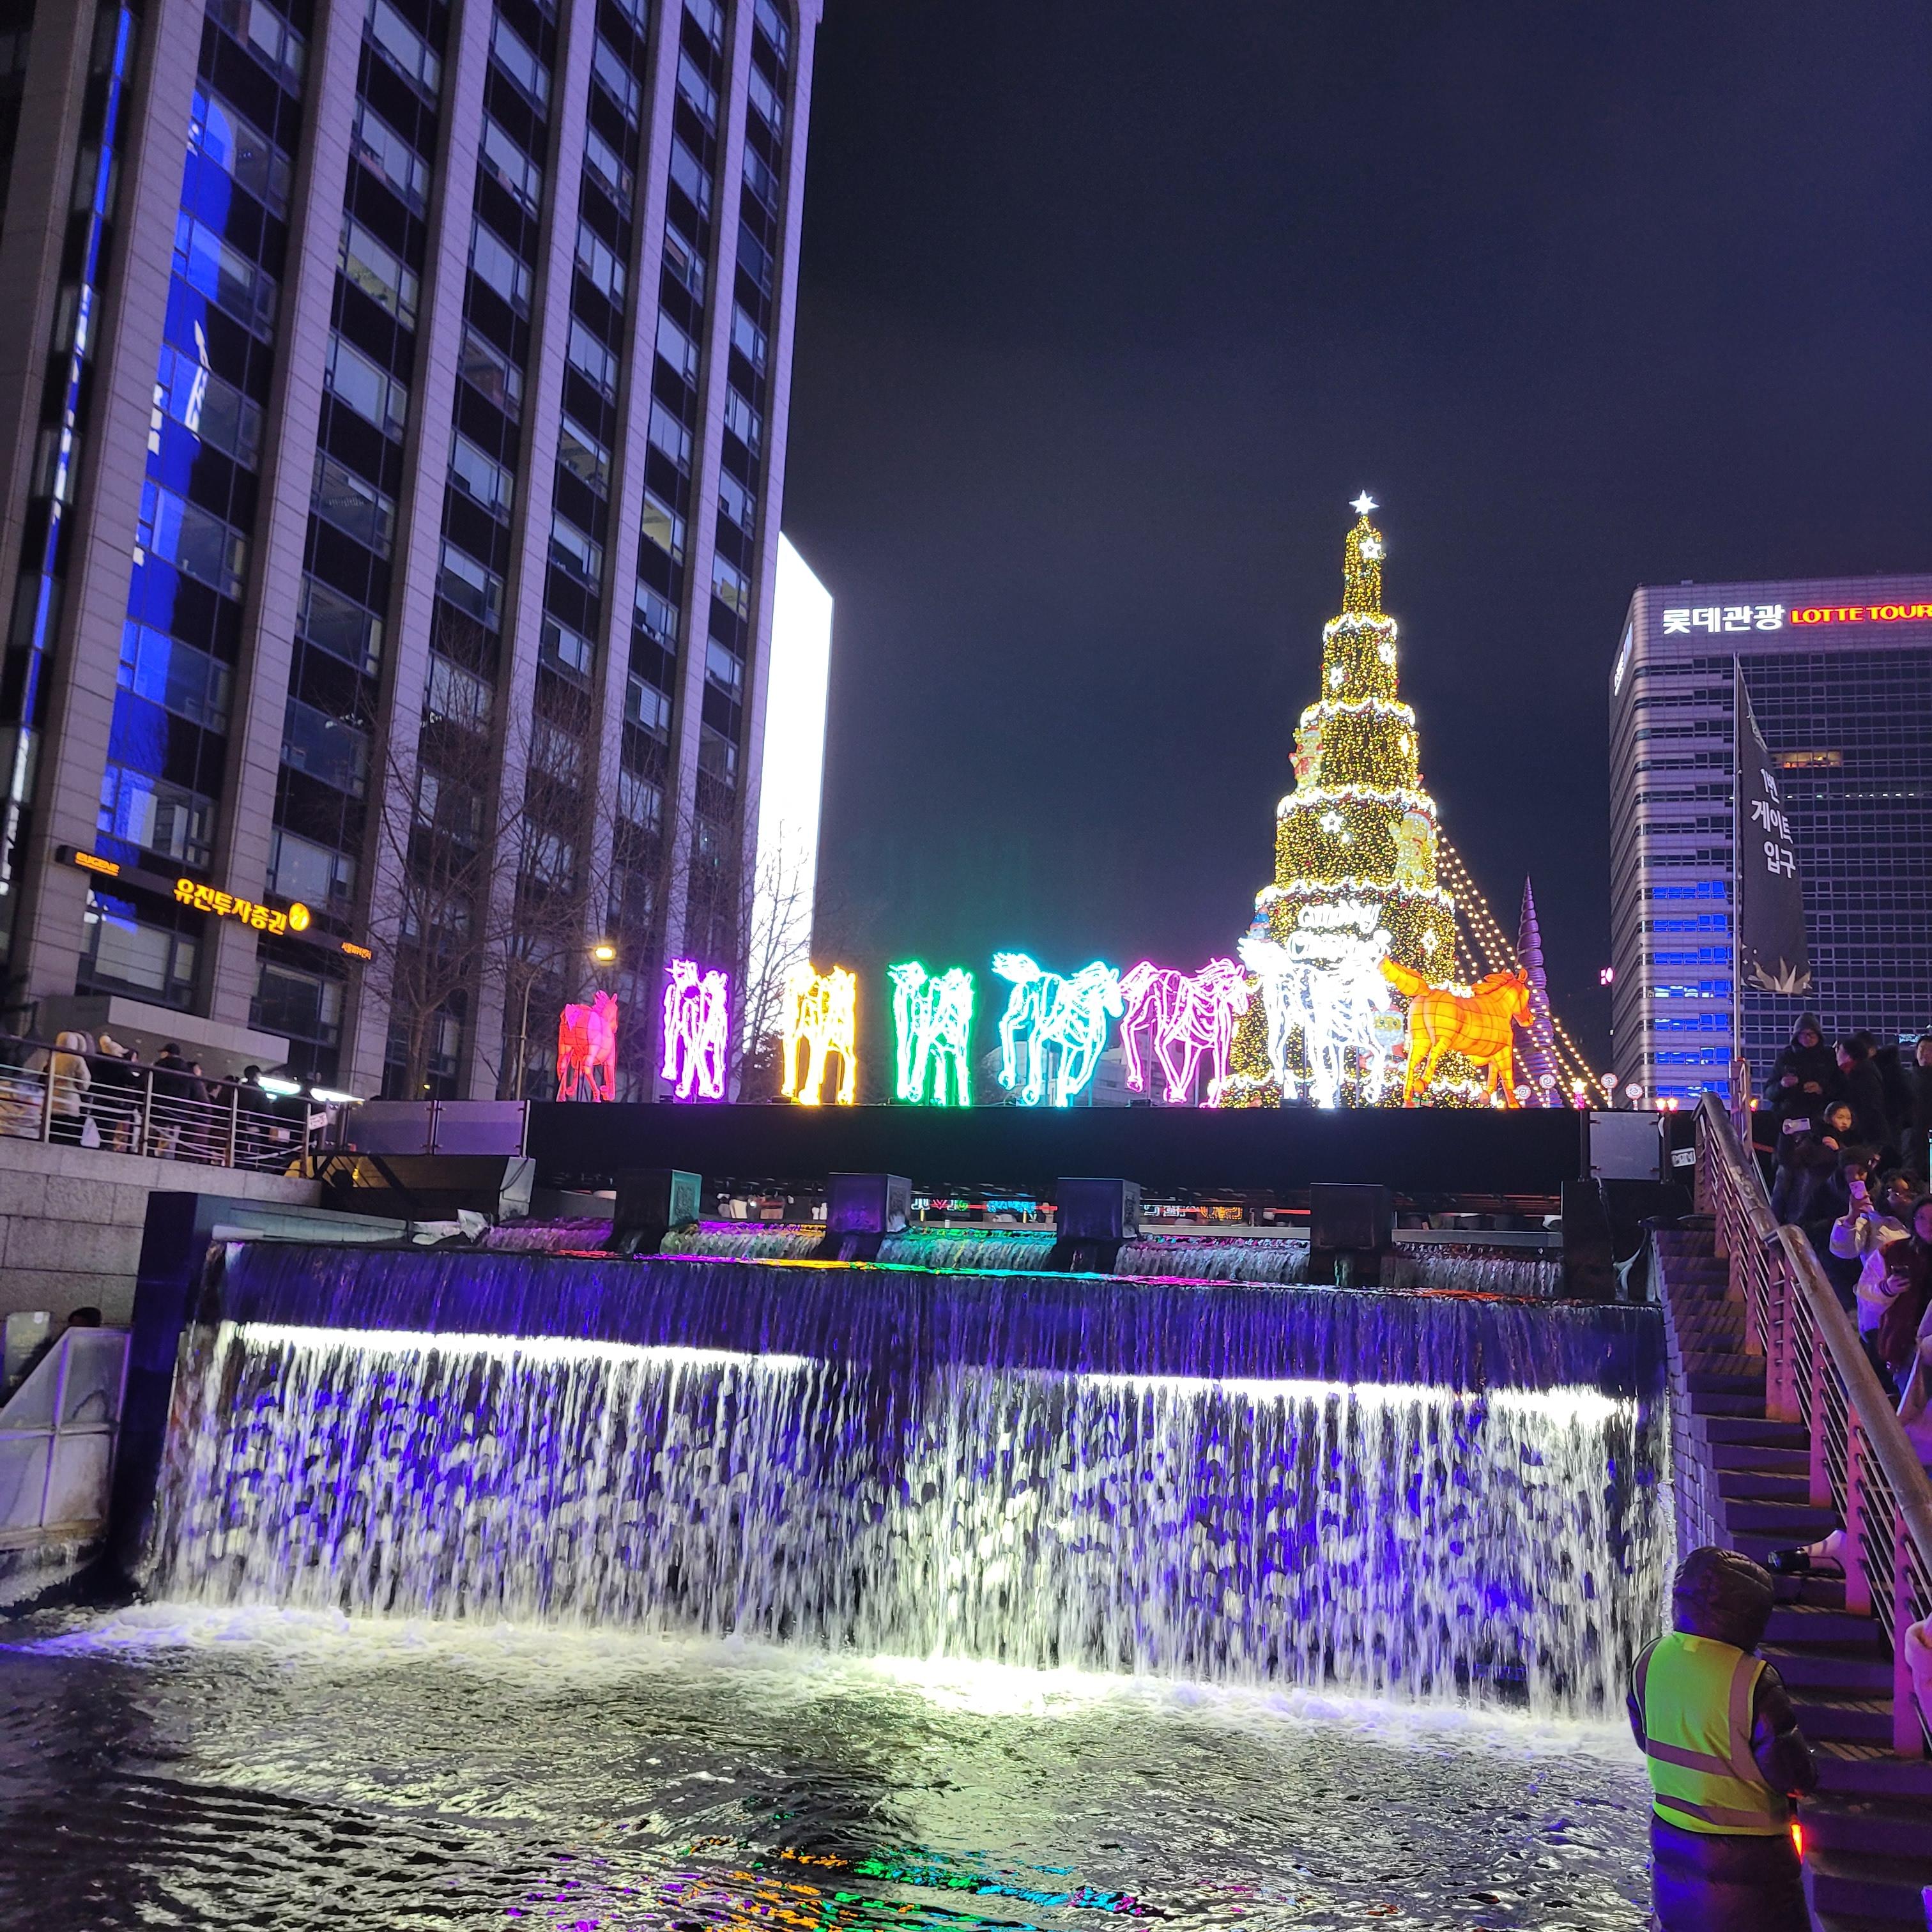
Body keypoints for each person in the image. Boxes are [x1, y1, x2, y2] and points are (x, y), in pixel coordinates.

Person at [1629, 1546, 1816, 1932]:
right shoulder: (1754, 1680)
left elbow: (1645, 1738)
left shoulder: (1650, 1660)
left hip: (1672, 1844)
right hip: (1753, 1860)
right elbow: (1793, 1775)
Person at [1832, 1167, 1916, 1388]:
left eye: (1907, 1194)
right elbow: (1844, 1248)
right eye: (1893, 1192)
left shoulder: (1922, 1223)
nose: (1900, 1199)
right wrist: (1852, 1217)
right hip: (1880, 1305)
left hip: (1915, 1309)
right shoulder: (1873, 1221)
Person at [1763, 1014, 1839, 1128]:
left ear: (1818, 1035)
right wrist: (1782, 1085)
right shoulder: (1786, 1057)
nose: (1807, 1038)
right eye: (1803, 1034)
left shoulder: (1829, 1056)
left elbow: (1840, 1087)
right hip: (1790, 1118)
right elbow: (1769, 1093)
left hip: (1821, 1117)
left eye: (1811, 1034)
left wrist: (1821, 1089)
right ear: (1796, 1036)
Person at [1836, 1034, 1893, 1159]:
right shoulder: (1860, 1071)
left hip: (1870, 1136)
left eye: (1839, 1051)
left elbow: (1869, 1107)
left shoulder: (1862, 1075)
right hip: (1872, 1133)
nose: (1837, 1055)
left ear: (1848, 1056)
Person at [88, 1034, 140, 1153]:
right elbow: (132, 1081)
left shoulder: (95, 1062)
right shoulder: (119, 1066)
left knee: (103, 1127)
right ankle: (108, 1146)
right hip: (114, 1102)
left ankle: (105, 1145)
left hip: (98, 1100)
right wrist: (146, 1074)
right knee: (110, 1127)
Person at [44, 1029, 92, 1144]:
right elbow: (85, 1083)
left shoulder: (53, 1058)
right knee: (68, 1137)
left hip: (53, 1101)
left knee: (53, 1135)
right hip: (71, 1102)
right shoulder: (77, 1059)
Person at [1907, 1033, 1932, 1184]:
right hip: (1912, 1138)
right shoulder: (1906, 1077)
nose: (1924, 1054)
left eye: (1930, 1050)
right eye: (1922, 1049)